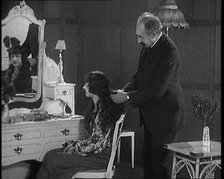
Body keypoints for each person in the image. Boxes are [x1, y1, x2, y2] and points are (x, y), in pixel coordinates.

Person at [111, 12, 185, 178]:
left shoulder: (169, 52)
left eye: (140, 36)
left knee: (159, 166)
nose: (138, 41)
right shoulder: (147, 46)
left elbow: (156, 91)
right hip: (152, 116)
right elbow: (138, 77)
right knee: (148, 162)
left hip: (166, 117)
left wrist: (128, 97)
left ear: (154, 33)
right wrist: (125, 91)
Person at [36, 70, 124, 179]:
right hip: (93, 154)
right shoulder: (96, 107)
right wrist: (73, 145)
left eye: (86, 84)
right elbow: (94, 140)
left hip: (98, 159)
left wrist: (75, 148)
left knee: (54, 160)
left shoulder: (103, 112)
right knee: (49, 155)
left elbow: (97, 144)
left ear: (95, 87)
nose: (83, 87)